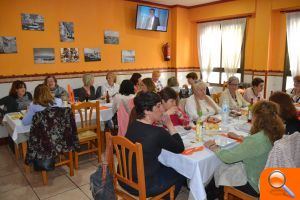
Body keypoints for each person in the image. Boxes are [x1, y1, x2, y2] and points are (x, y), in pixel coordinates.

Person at [204, 101, 284, 199]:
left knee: (219, 169)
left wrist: (214, 147)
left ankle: (212, 196)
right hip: (268, 177)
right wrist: (241, 138)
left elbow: (228, 158)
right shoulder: (275, 132)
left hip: (254, 184)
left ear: (258, 118)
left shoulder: (255, 140)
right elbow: (257, 146)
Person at [121, 92, 185, 198]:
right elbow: (180, 148)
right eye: (158, 106)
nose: (163, 110)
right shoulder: (158, 132)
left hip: (124, 178)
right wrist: (169, 124)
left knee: (164, 164)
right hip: (144, 185)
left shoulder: (133, 124)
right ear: (146, 110)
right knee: (180, 171)